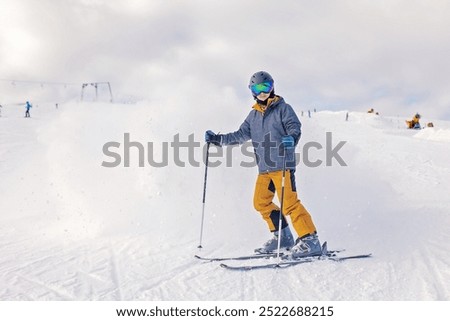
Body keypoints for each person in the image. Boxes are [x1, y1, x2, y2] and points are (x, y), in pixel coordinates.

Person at [205, 71, 321, 258]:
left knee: (289, 204)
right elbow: (239, 135)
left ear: (272, 87)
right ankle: (282, 237)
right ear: (251, 91)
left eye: (265, 87)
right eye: (257, 89)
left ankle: (310, 240)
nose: (262, 92)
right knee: (260, 202)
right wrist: (217, 139)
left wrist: (292, 137)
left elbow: (294, 127)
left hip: (283, 165)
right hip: (264, 169)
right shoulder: (253, 116)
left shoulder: (283, 108)